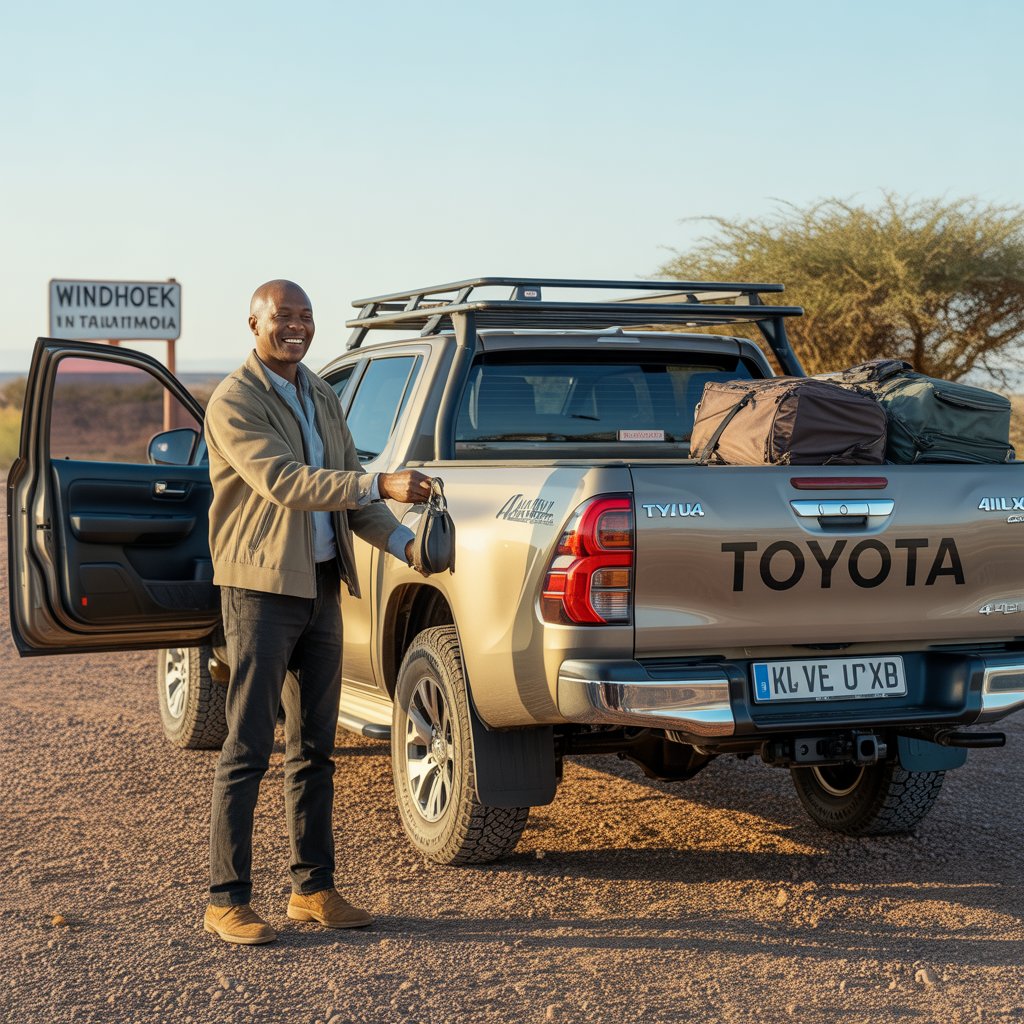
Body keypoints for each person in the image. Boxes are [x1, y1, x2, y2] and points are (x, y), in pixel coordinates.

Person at [201, 279, 431, 945]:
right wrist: (378, 480)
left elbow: (352, 493)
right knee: (247, 747)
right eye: (283, 316)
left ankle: (313, 889)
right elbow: (287, 482)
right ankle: (226, 899)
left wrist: (407, 542)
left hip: (323, 587)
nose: (297, 326)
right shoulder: (235, 400)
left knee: (315, 749)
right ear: (253, 322)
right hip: (261, 591)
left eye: (306, 316)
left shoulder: (319, 393)